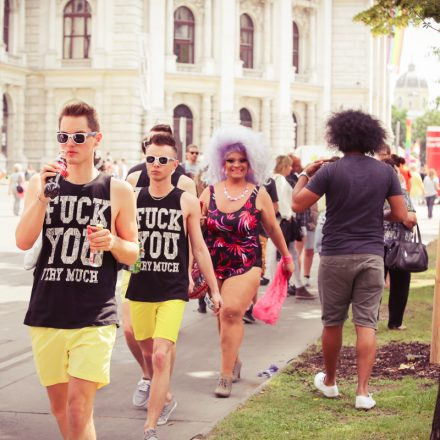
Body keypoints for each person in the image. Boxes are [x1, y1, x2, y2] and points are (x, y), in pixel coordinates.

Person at [15, 101, 139, 439]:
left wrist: (112, 242)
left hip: (94, 316)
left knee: (78, 408)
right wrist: (42, 197)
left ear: (97, 139)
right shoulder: (42, 186)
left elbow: (134, 254)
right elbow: (23, 241)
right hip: (46, 312)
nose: (70, 144)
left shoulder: (118, 190)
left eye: (79, 137)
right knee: (61, 412)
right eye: (63, 136)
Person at [292, 109, 407, 410]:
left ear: (338, 138)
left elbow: (296, 201)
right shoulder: (386, 172)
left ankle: (330, 382)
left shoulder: (330, 171)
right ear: (372, 137)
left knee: (333, 323)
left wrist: (306, 172)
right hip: (371, 255)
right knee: (366, 324)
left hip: (335, 255)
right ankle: (363, 392)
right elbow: (401, 214)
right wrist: (376, 215)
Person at [125, 133, 222, 440]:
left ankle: (150, 427)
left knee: (161, 355)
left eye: (162, 160)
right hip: (139, 285)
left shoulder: (187, 201)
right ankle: (163, 395)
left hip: (172, 288)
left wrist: (214, 288)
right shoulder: (130, 197)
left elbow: (200, 247)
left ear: (175, 164)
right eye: (150, 158)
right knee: (148, 351)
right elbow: (119, 239)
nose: (155, 165)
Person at [200, 126, 294, 398]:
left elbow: (274, 229)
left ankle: (225, 375)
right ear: (222, 163)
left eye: (242, 160)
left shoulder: (258, 193)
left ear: (251, 163)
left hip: (247, 261)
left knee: (230, 311)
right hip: (214, 261)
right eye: (231, 160)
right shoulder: (209, 192)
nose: (236, 165)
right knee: (221, 315)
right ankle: (233, 359)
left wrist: (286, 257)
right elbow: (195, 229)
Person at [122, 124, 197, 409]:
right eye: (150, 152)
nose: (155, 161)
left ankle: (161, 385)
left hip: (170, 270)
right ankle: (149, 376)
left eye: (161, 155)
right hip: (136, 267)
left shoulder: (185, 184)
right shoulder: (132, 178)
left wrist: (188, 272)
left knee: (164, 341)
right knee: (130, 330)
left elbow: (189, 238)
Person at [381, 156, 417, 330]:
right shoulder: (400, 193)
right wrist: (400, 214)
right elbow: (410, 220)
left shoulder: (373, 192)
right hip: (399, 245)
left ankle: (368, 322)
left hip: (376, 243)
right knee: (400, 286)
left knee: (372, 286)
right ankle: (395, 322)